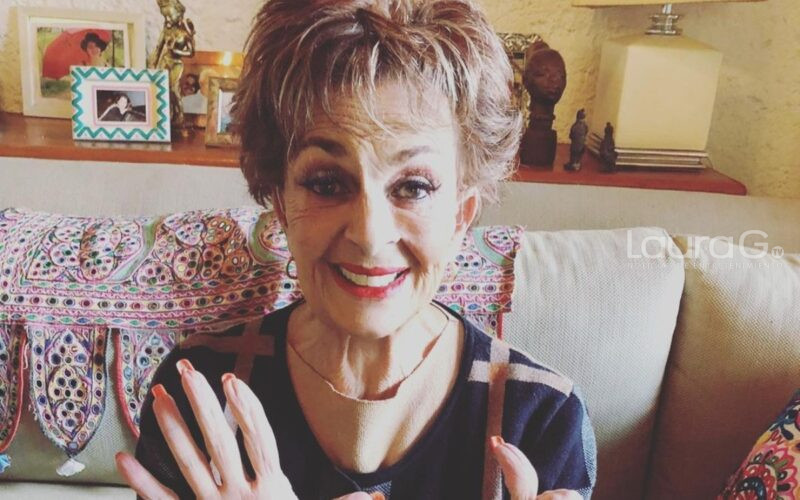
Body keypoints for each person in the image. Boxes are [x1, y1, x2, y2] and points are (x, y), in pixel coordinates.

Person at [116, 1, 597, 499]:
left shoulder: (542, 418)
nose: (369, 234)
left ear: (461, 215)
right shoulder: (199, 391)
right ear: (281, 204)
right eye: (327, 183)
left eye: (413, 187)